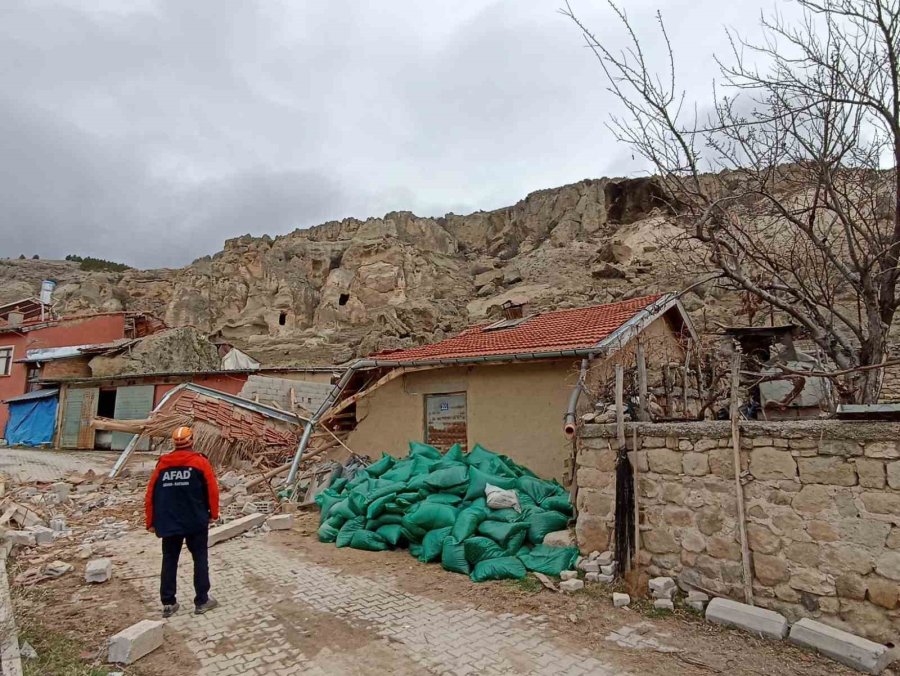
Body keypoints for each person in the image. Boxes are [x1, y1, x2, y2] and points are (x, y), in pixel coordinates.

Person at [145, 426, 220, 618]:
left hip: (169, 521)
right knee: (200, 558)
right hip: (195, 520)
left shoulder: (163, 464)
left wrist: (150, 520)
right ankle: (202, 600)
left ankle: (168, 603)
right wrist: (214, 513)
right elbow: (212, 489)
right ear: (192, 440)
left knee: (169, 560)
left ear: (174, 442)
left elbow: (151, 494)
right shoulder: (199, 462)